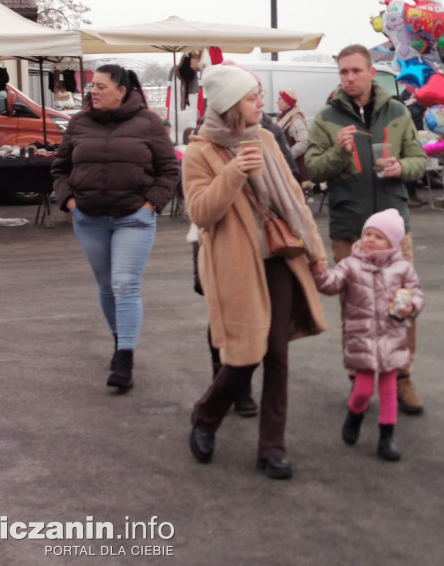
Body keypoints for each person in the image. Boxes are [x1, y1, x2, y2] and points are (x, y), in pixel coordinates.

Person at [183, 64, 327, 480]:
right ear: (230, 104)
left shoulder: (265, 136)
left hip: (280, 256)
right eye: (252, 97)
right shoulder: (200, 150)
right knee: (247, 353)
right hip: (235, 265)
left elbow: (294, 201)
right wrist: (233, 172)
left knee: (278, 352)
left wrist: (316, 253)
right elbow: (200, 213)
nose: (261, 103)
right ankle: (207, 414)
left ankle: (272, 448)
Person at [305, 44, 428, 415]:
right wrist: (339, 153)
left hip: (393, 229)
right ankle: (358, 377)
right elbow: (312, 169)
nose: (349, 78)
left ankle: (402, 376)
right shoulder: (326, 117)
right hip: (352, 230)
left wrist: (400, 169)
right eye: (343, 72)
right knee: (354, 309)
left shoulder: (398, 111)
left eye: (356, 71)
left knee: (401, 304)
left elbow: (419, 160)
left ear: (372, 73)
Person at [52, 65, 179, 391]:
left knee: (124, 284)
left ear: (122, 90)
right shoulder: (79, 122)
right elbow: (60, 167)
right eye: (92, 86)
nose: (93, 91)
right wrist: (69, 201)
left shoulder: (148, 123)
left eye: (101, 86)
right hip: (88, 218)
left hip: (133, 220)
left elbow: (168, 170)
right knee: (107, 285)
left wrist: (151, 204)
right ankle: (119, 338)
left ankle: (125, 358)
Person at [314, 208, 424, 461]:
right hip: (362, 338)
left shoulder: (402, 268)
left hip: (392, 337)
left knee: (387, 389)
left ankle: (387, 436)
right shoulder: (351, 265)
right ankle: (355, 414)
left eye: (378, 236)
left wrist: (411, 306)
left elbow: (417, 293)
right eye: (368, 234)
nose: (370, 240)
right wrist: (320, 273)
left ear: (392, 242)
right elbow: (332, 283)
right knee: (363, 389)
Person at [275, 88, 310, 184]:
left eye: (280, 99)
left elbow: (304, 142)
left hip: (296, 172)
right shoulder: (286, 117)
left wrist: (287, 157)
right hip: (290, 171)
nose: (277, 102)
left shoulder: (295, 119)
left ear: (287, 102)